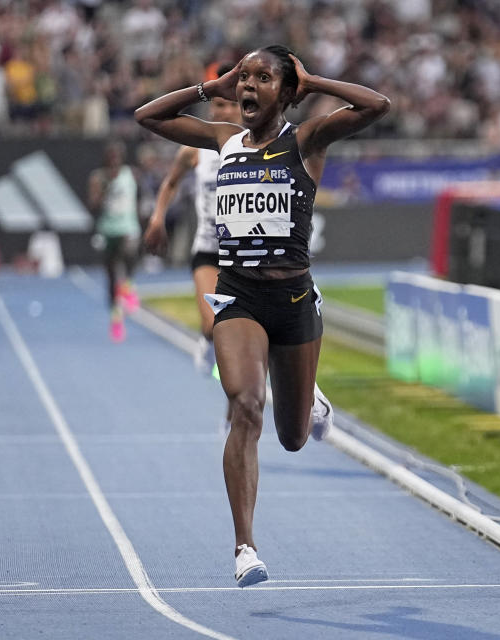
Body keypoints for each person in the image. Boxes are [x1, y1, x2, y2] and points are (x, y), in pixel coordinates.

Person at [135, 45, 389, 587]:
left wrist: (316, 79)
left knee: (293, 437)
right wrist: (212, 87)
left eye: (262, 78)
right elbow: (147, 117)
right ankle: (244, 547)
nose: (248, 86)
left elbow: (376, 106)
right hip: (239, 297)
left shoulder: (307, 140)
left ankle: (310, 393)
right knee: (245, 405)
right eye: (243, 77)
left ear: (286, 91)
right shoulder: (222, 140)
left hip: (294, 300)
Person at [143, 62, 240, 375]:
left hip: (244, 253)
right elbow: (170, 182)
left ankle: (234, 411)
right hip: (209, 248)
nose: (218, 113)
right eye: (215, 106)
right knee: (214, 325)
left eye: (226, 106)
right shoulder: (196, 150)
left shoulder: (257, 147)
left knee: (242, 339)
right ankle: (206, 338)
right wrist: (158, 217)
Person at [88, 140, 141, 343]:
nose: (114, 161)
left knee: (129, 254)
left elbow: (136, 198)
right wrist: (104, 189)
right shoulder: (97, 177)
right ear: (106, 158)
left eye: (118, 156)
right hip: (108, 229)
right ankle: (116, 318)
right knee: (111, 278)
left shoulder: (132, 174)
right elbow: (92, 205)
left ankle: (128, 286)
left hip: (128, 227)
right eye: (111, 157)